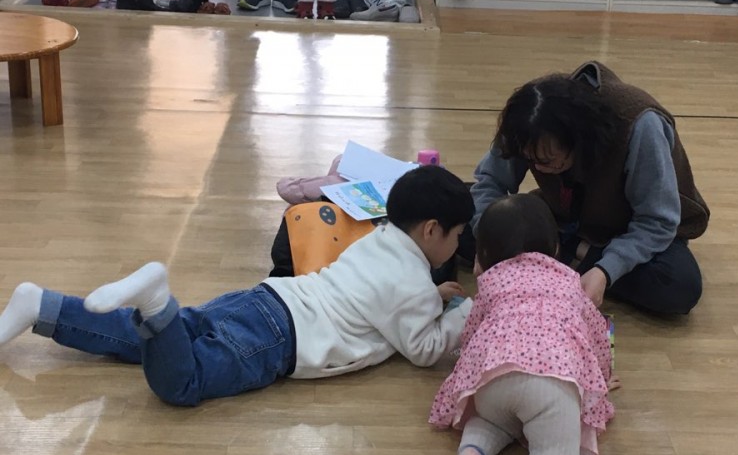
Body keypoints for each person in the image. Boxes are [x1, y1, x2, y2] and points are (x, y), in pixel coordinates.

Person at [0, 165, 474, 407]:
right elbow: (424, 349)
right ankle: (156, 301)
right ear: (432, 230)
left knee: (142, 338)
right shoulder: (412, 285)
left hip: (267, 298)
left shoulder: (379, 238)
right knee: (183, 383)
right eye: (457, 236)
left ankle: (43, 305)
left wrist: (430, 297)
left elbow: (379, 297)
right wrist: (464, 313)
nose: (457, 246)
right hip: (280, 340)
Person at [459, 60, 710, 315]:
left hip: (625, 228)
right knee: (455, 210)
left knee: (679, 285)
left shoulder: (640, 126)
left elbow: (657, 222)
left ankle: (564, 257)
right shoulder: (526, 118)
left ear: (578, 141)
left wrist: (605, 271)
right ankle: (569, 255)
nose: (538, 168)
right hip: (561, 219)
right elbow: (489, 182)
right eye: (530, 160)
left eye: (548, 160)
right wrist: (487, 239)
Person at [430, 194, 616, 455]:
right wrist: (602, 379)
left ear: (482, 255)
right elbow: (596, 336)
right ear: (555, 247)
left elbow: (472, 334)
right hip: (554, 381)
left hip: (494, 377)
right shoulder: (569, 281)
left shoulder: (491, 282)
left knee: (490, 419)